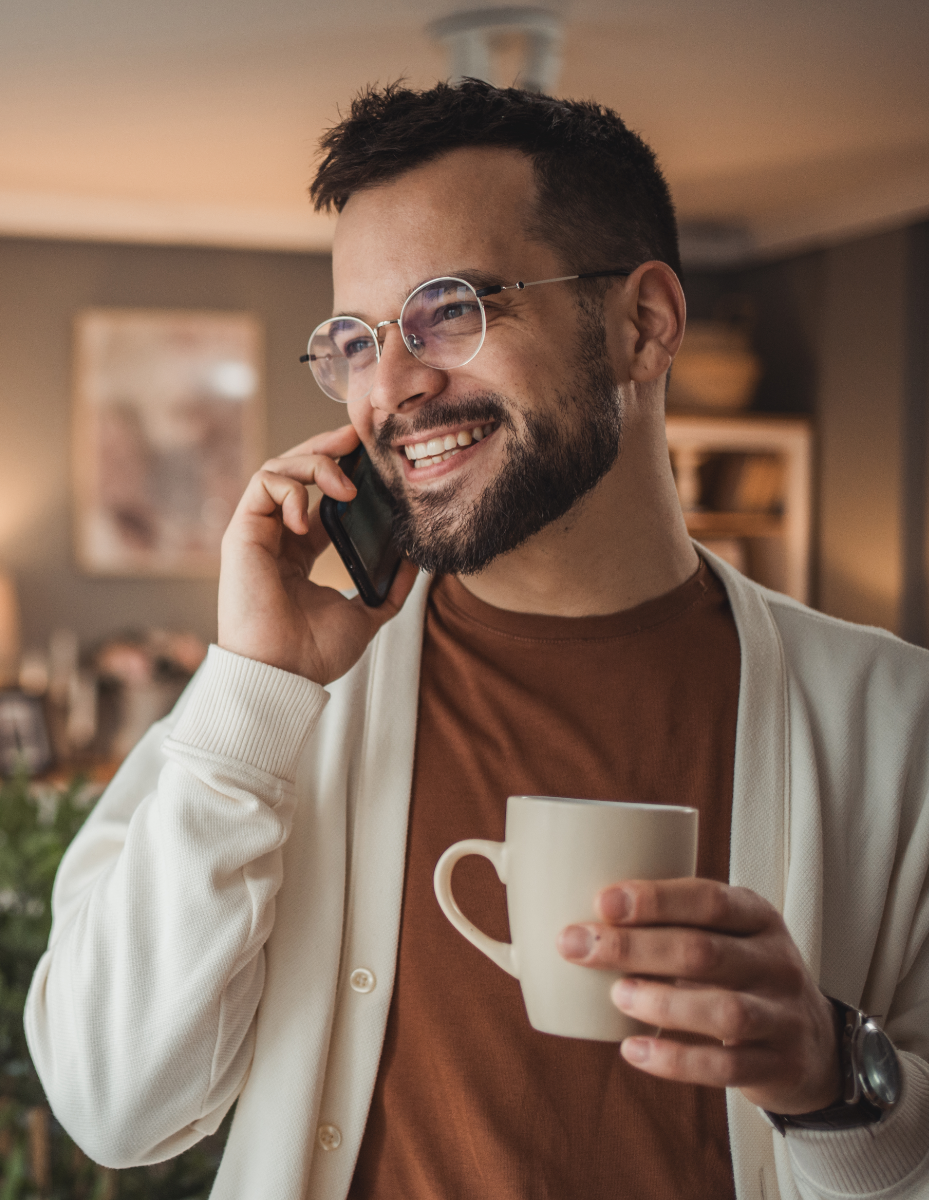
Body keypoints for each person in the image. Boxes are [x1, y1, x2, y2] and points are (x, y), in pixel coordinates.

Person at [26, 81, 927, 1200]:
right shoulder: (280, 700)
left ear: (644, 324)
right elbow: (116, 1106)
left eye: (448, 311)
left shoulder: (898, 729)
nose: (389, 388)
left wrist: (835, 1076)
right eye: (354, 340)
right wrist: (253, 687)